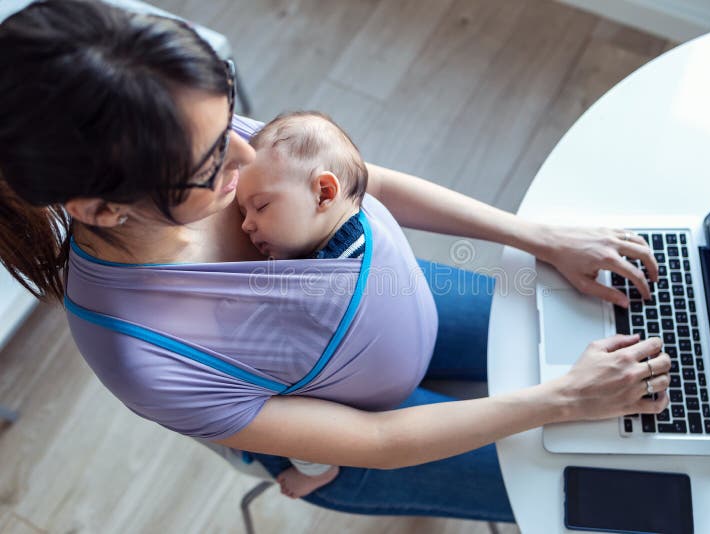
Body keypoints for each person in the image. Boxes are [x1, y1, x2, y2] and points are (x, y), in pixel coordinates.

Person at [0, 0, 670, 524]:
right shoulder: (140, 353)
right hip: (372, 434)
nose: (245, 154)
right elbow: (376, 444)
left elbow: (360, 179)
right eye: (212, 164)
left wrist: (540, 239)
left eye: (231, 119)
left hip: (401, 291)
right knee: (617, 492)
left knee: (625, 322)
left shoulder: (187, 131)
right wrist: (561, 400)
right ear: (103, 209)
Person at [236, 110, 374, 497]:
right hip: (382, 357)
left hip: (348, 388)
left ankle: (318, 469)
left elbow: (287, 340)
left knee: (287, 398)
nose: (246, 224)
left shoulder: (327, 277)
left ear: (324, 193)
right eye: (243, 212)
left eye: (260, 207)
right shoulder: (361, 227)